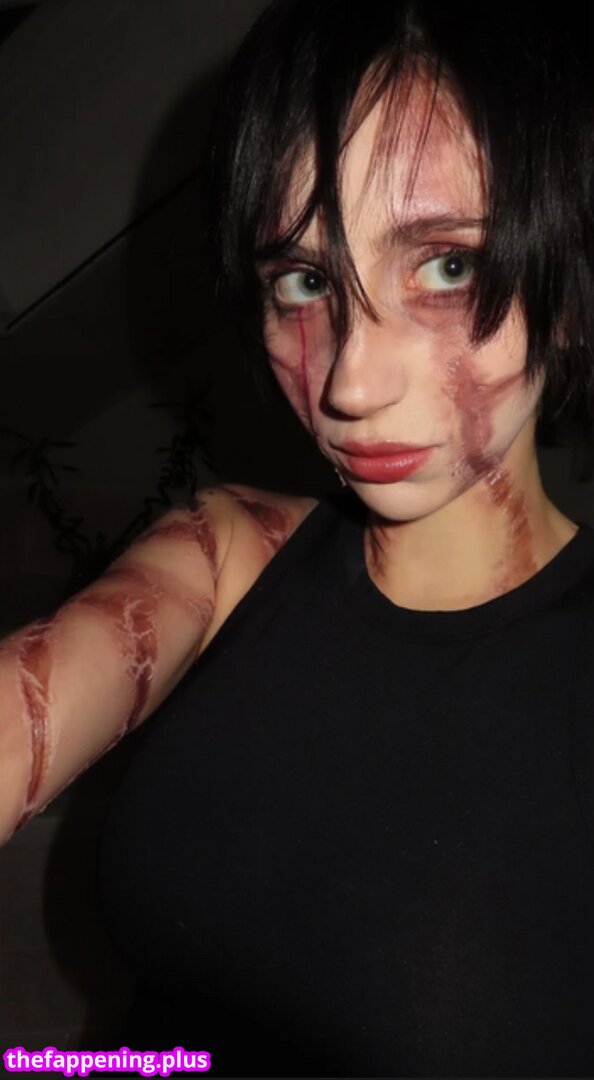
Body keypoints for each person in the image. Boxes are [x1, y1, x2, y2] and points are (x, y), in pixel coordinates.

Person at [2, 0, 594, 1075]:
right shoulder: (229, 551)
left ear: (569, 283)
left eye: (447, 266)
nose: (349, 382)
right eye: (307, 282)